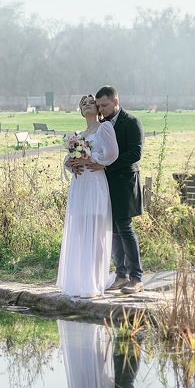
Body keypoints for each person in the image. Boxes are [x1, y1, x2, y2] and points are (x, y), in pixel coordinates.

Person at [72, 86, 145, 295]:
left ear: (116, 101)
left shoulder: (131, 122)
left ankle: (136, 278)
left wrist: (106, 165)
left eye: (104, 105)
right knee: (112, 230)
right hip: (103, 185)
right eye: (99, 105)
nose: (101, 109)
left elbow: (135, 153)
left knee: (125, 228)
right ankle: (121, 275)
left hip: (124, 183)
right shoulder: (101, 125)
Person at [57, 94, 119, 297]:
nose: (86, 105)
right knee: (82, 231)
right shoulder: (78, 135)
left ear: (98, 108)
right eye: (83, 104)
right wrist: (70, 163)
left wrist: (90, 160)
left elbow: (112, 153)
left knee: (97, 232)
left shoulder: (105, 128)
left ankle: (96, 281)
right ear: (81, 111)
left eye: (90, 102)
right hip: (80, 185)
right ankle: (81, 280)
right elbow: (69, 156)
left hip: (94, 182)